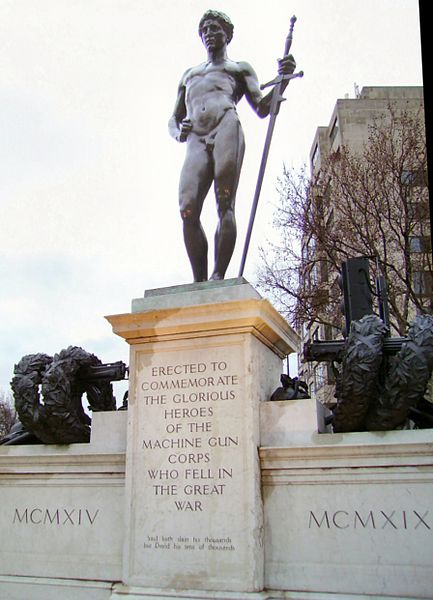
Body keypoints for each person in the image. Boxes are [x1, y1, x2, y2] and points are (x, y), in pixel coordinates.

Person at [169, 10, 296, 282]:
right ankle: (199, 281)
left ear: (227, 34)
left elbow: (262, 107)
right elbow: (173, 118)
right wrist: (179, 132)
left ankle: (218, 276)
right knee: (187, 208)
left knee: (224, 201)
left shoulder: (238, 68)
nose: (209, 35)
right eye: (204, 31)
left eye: (215, 29)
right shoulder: (189, 75)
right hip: (196, 138)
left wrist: (283, 81)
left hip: (226, 126)